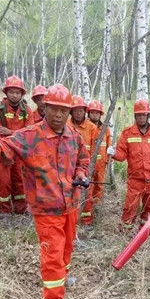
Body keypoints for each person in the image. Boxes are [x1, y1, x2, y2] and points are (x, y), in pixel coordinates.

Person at [0, 84, 90, 299]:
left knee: (66, 247)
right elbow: (5, 147)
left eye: (63, 110)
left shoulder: (74, 136)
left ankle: (62, 279)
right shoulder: (29, 136)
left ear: (70, 112)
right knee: (53, 253)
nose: (58, 114)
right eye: (54, 108)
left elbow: (82, 160)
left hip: (71, 205)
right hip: (46, 210)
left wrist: (82, 174)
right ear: (44, 107)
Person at [107, 99, 150, 231]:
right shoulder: (127, 133)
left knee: (149, 208)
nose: (141, 117)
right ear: (135, 116)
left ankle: (144, 232)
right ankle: (125, 232)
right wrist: (113, 153)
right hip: (135, 179)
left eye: (143, 115)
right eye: (138, 115)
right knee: (130, 206)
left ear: (148, 116)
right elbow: (122, 156)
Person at [0, 75, 33, 219]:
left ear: (22, 94)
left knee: (20, 181)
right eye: (11, 91)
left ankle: (21, 208)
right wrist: (4, 153)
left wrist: (11, 132)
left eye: (17, 92)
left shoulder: (27, 111)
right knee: (3, 182)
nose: (14, 95)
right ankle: (4, 210)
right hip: (2, 152)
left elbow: (29, 134)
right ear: (6, 92)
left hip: (19, 153)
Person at [66, 95, 96, 231]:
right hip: (68, 166)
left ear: (85, 111)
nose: (79, 113)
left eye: (81, 110)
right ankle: (70, 219)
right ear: (71, 111)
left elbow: (96, 150)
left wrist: (93, 167)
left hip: (86, 165)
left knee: (87, 193)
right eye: (76, 110)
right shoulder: (66, 126)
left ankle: (87, 221)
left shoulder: (92, 128)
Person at [81, 100, 111, 230]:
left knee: (99, 187)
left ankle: (96, 208)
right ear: (88, 113)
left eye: (97, 113)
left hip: (101, 164)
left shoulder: (105, 129)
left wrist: (110, 154)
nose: (95, 115)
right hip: (89, 164)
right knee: (88, 188)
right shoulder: (86, 127)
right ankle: (87, 212)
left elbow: (108, 145)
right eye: (92, 112)